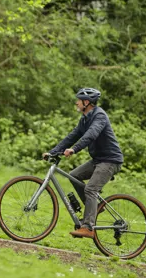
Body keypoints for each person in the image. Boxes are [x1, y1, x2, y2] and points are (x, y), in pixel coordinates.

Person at [42, 87, 124, 239]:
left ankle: (88, 227)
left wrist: (74, 149)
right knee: (74, 175)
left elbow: (91, 135)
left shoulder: (99, 116)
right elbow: (71, 137)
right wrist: (53, 152)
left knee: (91, 189)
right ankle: (93, 209)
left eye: (79, 101)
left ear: (87, 102)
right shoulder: (84, 119)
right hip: (98, 160)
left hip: (110, 161)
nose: (76, 103)